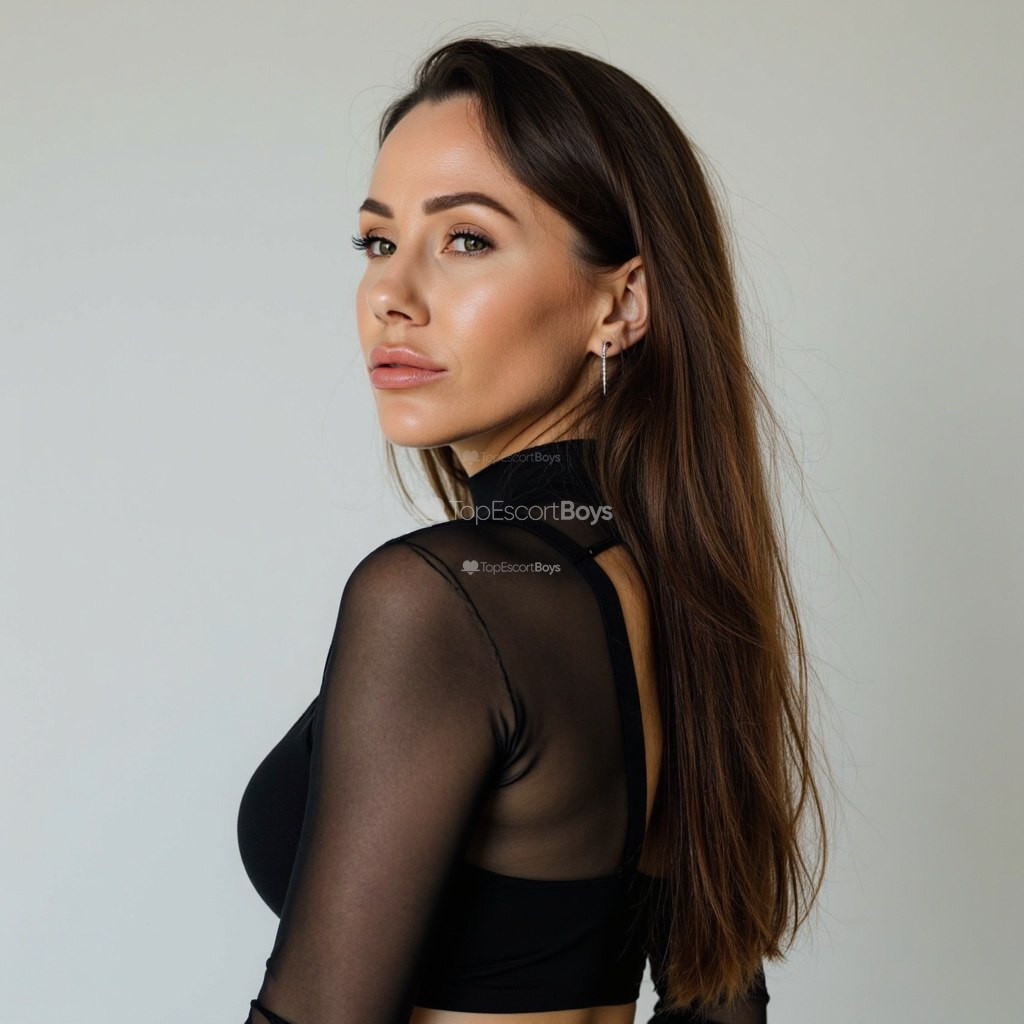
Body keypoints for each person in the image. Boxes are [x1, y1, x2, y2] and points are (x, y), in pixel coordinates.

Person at [237, 35, 829, 1024]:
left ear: (620, 304)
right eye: (378, 242)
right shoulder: (677, 585)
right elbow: (721, 1004)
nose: (390, 296)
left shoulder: (442, 600)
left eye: (465, 240)